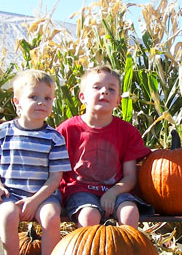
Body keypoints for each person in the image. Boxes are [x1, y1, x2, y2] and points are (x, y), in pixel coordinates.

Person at [0, 69, 71, 255]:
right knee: (7, 215)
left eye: (47, 98)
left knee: (51, 217)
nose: (42, 103)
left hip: (43, 196)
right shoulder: (3, 132)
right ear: (17, 102)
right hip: (11, 193)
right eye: (33, 97)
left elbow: (54, 178)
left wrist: (35, 201)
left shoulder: (54, 138)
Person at [57, 65, 152, 228]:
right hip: (80, 191)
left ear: (118, 101)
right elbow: (56, 170)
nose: (104, 91)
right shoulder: (68, 129)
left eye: (111, 89)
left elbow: (130, 176)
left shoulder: (127, 132)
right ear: (82, 97)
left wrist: (113, 192)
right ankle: (88, 254)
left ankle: (127, 253)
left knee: (129, 212)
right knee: (88, 216)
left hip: (116, 191)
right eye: (97, 87)